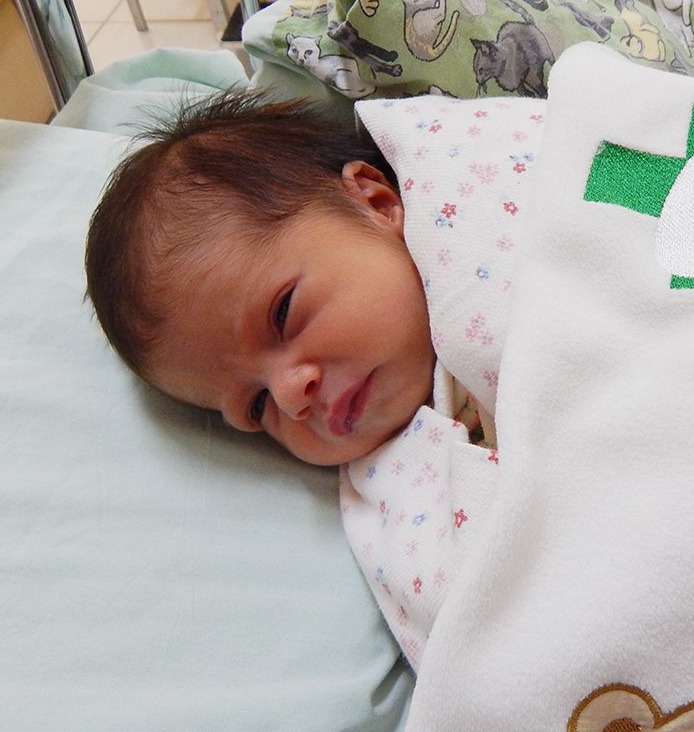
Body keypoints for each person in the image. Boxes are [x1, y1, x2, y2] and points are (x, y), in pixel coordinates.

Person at [85, 91, 438, 466]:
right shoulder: (393, 479)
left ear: (376, 204)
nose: (290, 395)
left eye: (283, 314)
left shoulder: (470, 195)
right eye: (258, 405)